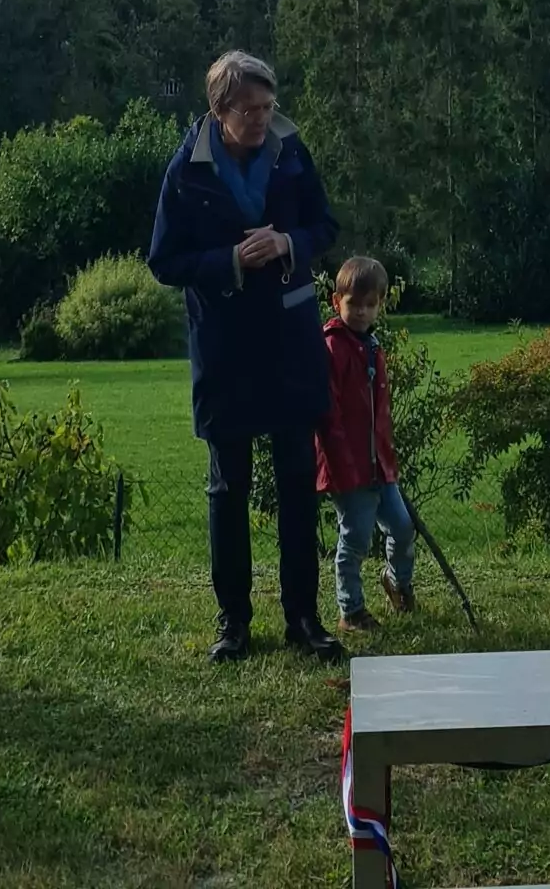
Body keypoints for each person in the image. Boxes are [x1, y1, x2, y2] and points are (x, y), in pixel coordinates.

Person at [148, 49, 343, 663]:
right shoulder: (187, 170)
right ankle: (233, 624)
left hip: (289, 340)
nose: (262, 118)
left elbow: (325, 226)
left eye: (267, 105)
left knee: (297, 482)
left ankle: (304, 619)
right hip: (225, 346)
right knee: (228, 487)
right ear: (219, 109)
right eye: (249, 108)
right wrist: (230, 260)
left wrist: (287, 242)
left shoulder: (291, 151)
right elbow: (164, 261)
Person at [314, 254, 416, 632]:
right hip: (349, 468)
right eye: (353, 303)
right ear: (336, 301)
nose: (361, 311)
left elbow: (380, 414)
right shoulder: (332, 348)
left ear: (380, 305)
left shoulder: (372, 346)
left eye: (370, 304)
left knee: (402, 527)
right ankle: (351, 609)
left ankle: (398, 582)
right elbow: (329, 415)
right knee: (355, 539)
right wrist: (344, 466)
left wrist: (387, 458)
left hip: (379, 467)